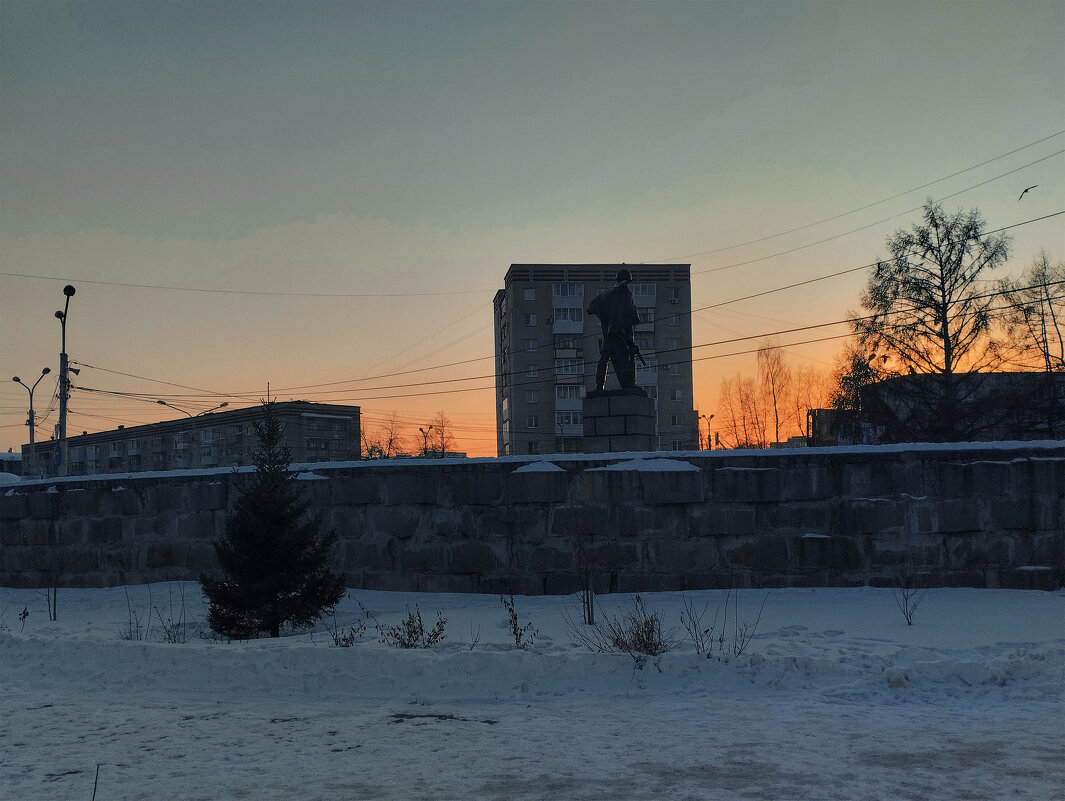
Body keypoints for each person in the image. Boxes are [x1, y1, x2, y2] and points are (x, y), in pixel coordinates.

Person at [586, 268, 642, 391]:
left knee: (604, 359)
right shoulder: (627, 295)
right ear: (627, 282)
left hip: (609, 336)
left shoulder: (606, 295)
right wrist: (630, 342)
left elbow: (591, 308)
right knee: (623, 362)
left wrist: (607, 319)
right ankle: (629, 385)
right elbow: (632, 319)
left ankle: (599, 386)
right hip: (619, 337)